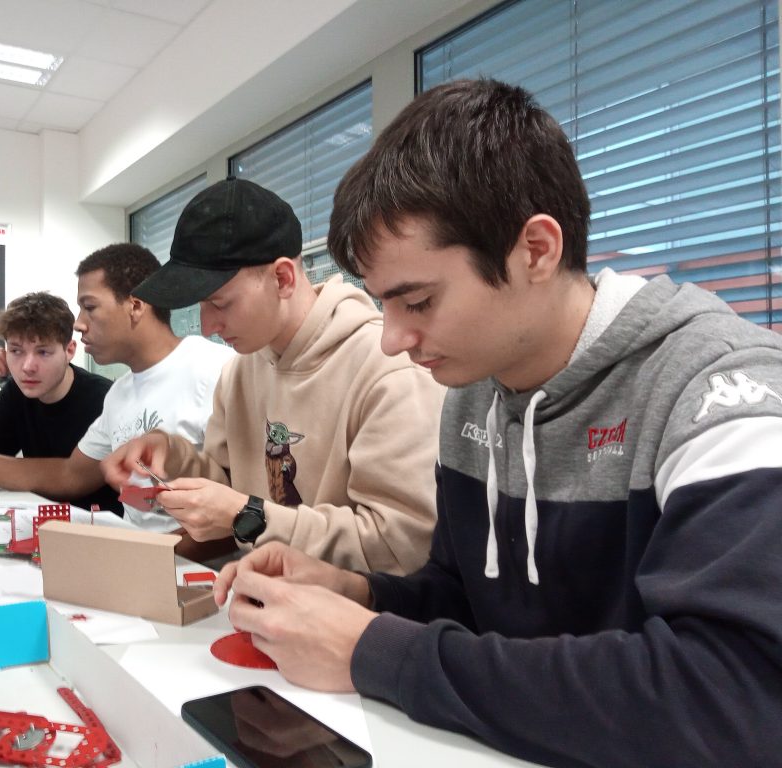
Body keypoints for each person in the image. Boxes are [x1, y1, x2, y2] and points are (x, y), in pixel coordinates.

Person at [213, 79, 782, 767]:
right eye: (383, 304)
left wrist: (373, 651)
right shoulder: (473, 392)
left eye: (418, 301)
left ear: (536, 250)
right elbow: (466, 601)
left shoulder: (719, 390)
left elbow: (735, 698)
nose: (391, 340)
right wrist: (360, 593)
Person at [104, 178, 442, 574]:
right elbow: (231, 493)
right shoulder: (239, 373)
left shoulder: (387, 370)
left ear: (282, 278)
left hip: (352, 611)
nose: (208, 326)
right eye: (200, 306)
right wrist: (173, 455)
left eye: (219, 303)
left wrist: (249, 517)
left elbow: (401, 547)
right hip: (256, 598)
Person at [0, 244, 235, 532]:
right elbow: (70, 474)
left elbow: (240, 507)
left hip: (187, 569)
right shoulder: (121, 394)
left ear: (136, 305)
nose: (79, 325)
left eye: (89, 307)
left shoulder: (216, 371)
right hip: (137, 556)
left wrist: (148, 555)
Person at [0, 292, 117, 511]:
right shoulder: (16, 394)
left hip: (97, 525)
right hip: (37, 520)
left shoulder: (103, 399)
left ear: (69, 351)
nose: (27, 367)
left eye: (43, 352)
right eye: (16, 351)